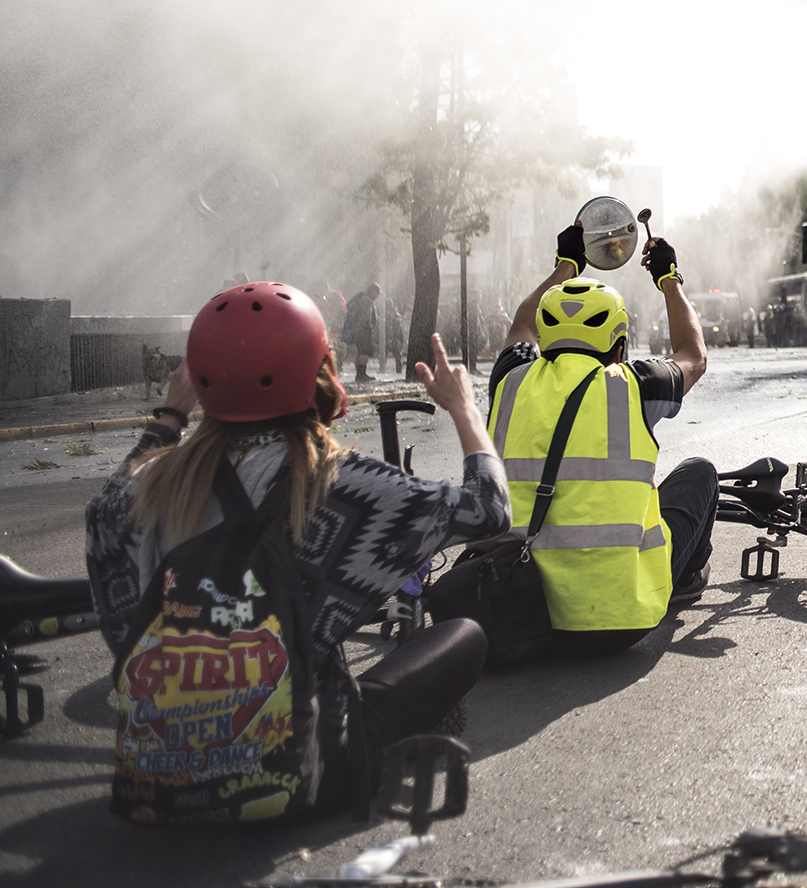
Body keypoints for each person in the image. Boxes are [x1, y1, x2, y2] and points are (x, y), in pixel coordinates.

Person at [84, 284, 510, 818]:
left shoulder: (147, 489)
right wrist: (465, 409)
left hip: (154, 780)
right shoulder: (339, 482)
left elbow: (104, 520)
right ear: (319, 373)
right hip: (304, 778)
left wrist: (169, 417)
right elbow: (488, 509)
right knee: (462, 634)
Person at [487, 223, 715, 655]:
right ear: (619, 344)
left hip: (517, 604)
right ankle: (683, 582)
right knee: (700, 472)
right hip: (618, 622)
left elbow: (521, 324)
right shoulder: (634, 383)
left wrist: (565, 268)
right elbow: (693, 357)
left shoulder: (510, 380)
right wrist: (669, 280)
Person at [346, 281, 380, 383]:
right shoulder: (367, 301)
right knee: (365, 352)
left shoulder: (361, 298)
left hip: (358, 330)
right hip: (364, 330)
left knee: (361, 351)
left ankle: (360, 374)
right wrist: (369, 328)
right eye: (377, 293)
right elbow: (367, 317)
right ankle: (361, 374)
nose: (377, 296)